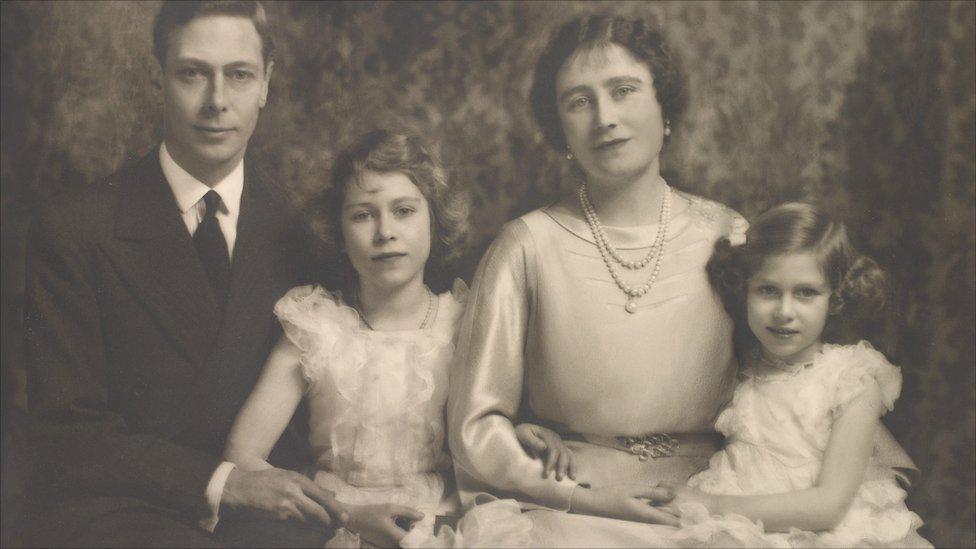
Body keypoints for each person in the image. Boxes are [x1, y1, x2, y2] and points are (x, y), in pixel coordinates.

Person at [21, 2, 345, 546]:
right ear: (158, 80)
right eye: (193, 73)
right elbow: (67, 432)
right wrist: (224, 482)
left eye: (239, 75)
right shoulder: (75, 229)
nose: (217, 102)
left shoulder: (307, 235)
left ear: (266, 83)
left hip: (275, 525)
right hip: (121, 513)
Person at [447, 12, 748, 546]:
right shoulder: (525, 246)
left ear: (666, 107)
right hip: (578, 501)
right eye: (578, 101)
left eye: (624, 90)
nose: (604, 117)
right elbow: (477, 425)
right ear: (560, 128)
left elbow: (782, 378)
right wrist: (543, 464)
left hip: (715, 492)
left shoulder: (726, 233)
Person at [519, 203, 933, 547]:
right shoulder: (740, 365)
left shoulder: (852, 380)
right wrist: (546, 432)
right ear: (744, 289)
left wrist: (709, 506)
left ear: (836, 298)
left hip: (821, 531)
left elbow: (828, 506)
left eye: (805, 293)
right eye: (768, 290)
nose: (784, 311)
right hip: (736, 519)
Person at [223, 130, 530, 548]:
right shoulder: (316, 326)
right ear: (339, 229)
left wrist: (528, 433)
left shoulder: (464, 322)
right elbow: (241, 457)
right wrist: (345, 515)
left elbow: (493, 426)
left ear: (433, 219)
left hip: (442, 521)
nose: (385, 231)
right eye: (363, 215)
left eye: (403, 211)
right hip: (334, 524)